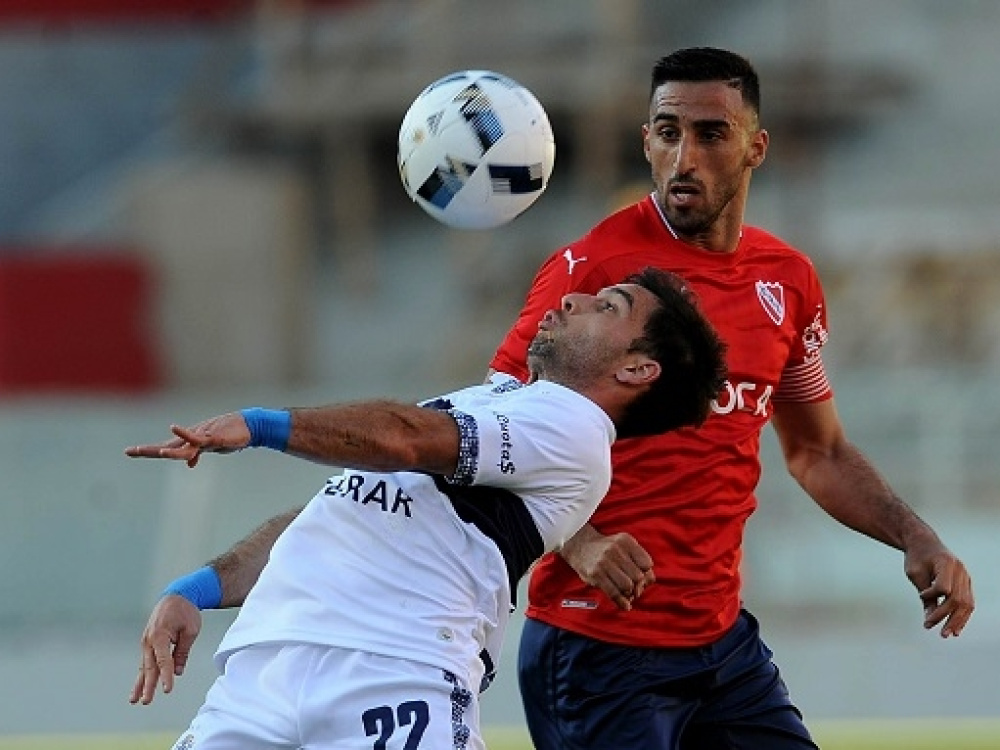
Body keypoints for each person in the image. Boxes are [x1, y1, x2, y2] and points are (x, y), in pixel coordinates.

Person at [485, 46, 975, 750]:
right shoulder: (595, 271)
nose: (685, 157)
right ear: (646, 141)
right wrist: (577, 538)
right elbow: (486, 422)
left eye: (711, 134)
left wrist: (915, 536)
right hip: (598, 647)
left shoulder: (788, 281)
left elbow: (817, 451)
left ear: (755, 147)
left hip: (722, 647)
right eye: (667, 132)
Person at [125, 267, 728, 750]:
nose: (572, 299)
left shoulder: (576, 432)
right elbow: (336, 509)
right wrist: (196, 588)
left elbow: (406, 438)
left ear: (637, 368)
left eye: (607, 306)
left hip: (393, 677)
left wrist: (261, 425)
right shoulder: (492, 400)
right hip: (264, 669)